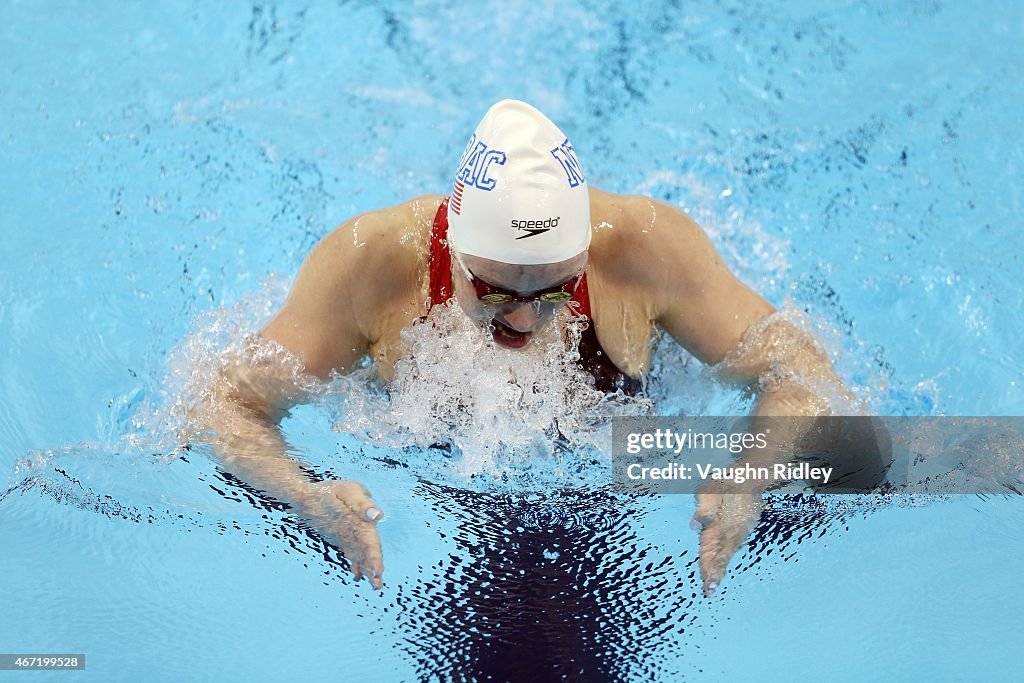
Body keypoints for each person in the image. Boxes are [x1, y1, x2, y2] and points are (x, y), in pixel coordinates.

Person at [196, 99, 852, 596]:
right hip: (433, 519)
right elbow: (219, 401)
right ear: (453, 243)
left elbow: (804, 370)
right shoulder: (372, 266)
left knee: (836, 478)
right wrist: (304, 492)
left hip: (631, 477)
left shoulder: (646, 250)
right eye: (495, 290)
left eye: (558, 290)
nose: (525, 319)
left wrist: (751, 472)